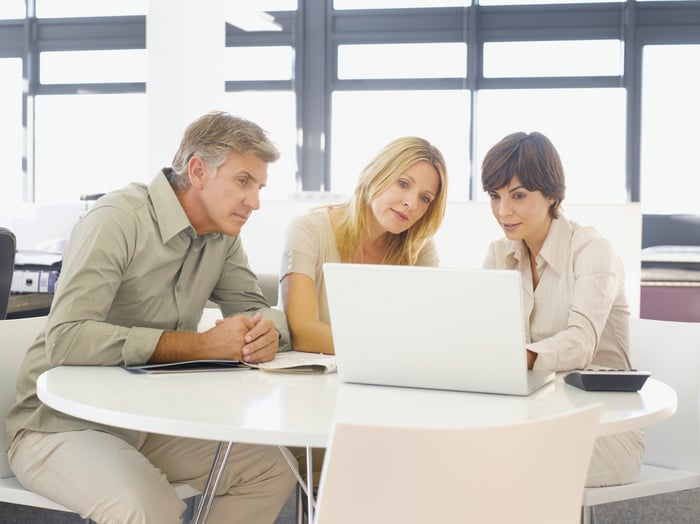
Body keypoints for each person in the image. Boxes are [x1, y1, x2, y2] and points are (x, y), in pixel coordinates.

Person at [4, 111, 298, 523]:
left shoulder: (223, 237)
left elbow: (254, 310)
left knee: (270, 468)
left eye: (260, 186)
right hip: (59, 424)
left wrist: (265, 332)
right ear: (198, 171)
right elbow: (67, 338)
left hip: (148, 421)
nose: (255, 201)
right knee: (150, 508)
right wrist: (198, 346)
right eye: (243, 181)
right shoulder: (117, 220)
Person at [480, 130, 644, 487]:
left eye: (518, 195)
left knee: (492, 463)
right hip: (529, 416)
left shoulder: (591, 250)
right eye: (495, 196)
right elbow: (483, 335)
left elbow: (580, 343)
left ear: (553, 195)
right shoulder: (499, 255)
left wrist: (518, 356)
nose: (503, 211)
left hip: (603, 425)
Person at [280, 136, 449, 354]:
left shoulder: (420, 247)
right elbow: (302, 334)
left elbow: (430, 329)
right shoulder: (307, 230)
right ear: (374, 175)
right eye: (403, 183)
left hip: (385, 376)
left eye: (425, 198)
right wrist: (389, 348)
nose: (412, 203)